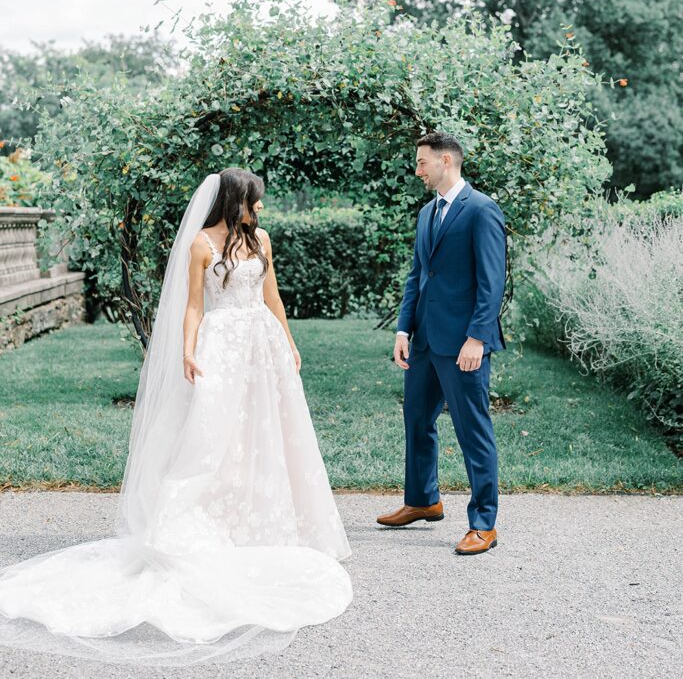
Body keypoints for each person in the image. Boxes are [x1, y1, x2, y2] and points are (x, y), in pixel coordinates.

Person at [0, 168, 352, 667]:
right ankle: (206, 514)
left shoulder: (263, 240)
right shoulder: (202, 246)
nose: (262, 209)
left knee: (271, 432)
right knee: (214, 437)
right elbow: (192, 307)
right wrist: (189, 351)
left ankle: (269, 515)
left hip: (261, 345)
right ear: (236, 201)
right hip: (223, 346)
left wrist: (289, 342)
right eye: (256, 201)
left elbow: (271, 296)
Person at [377, 133, 507, 555]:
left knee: (473, 431)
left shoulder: (482, 211)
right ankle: (423, 501)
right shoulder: (426, 213)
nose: (417, 171)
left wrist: (477, 338)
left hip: (464, 344)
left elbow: (492, 284)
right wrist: (402, 330)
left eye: (422, 163)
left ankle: (483, 523)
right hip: (426, 342)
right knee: (417, 420)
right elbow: (418, 275)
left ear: (445, 161)